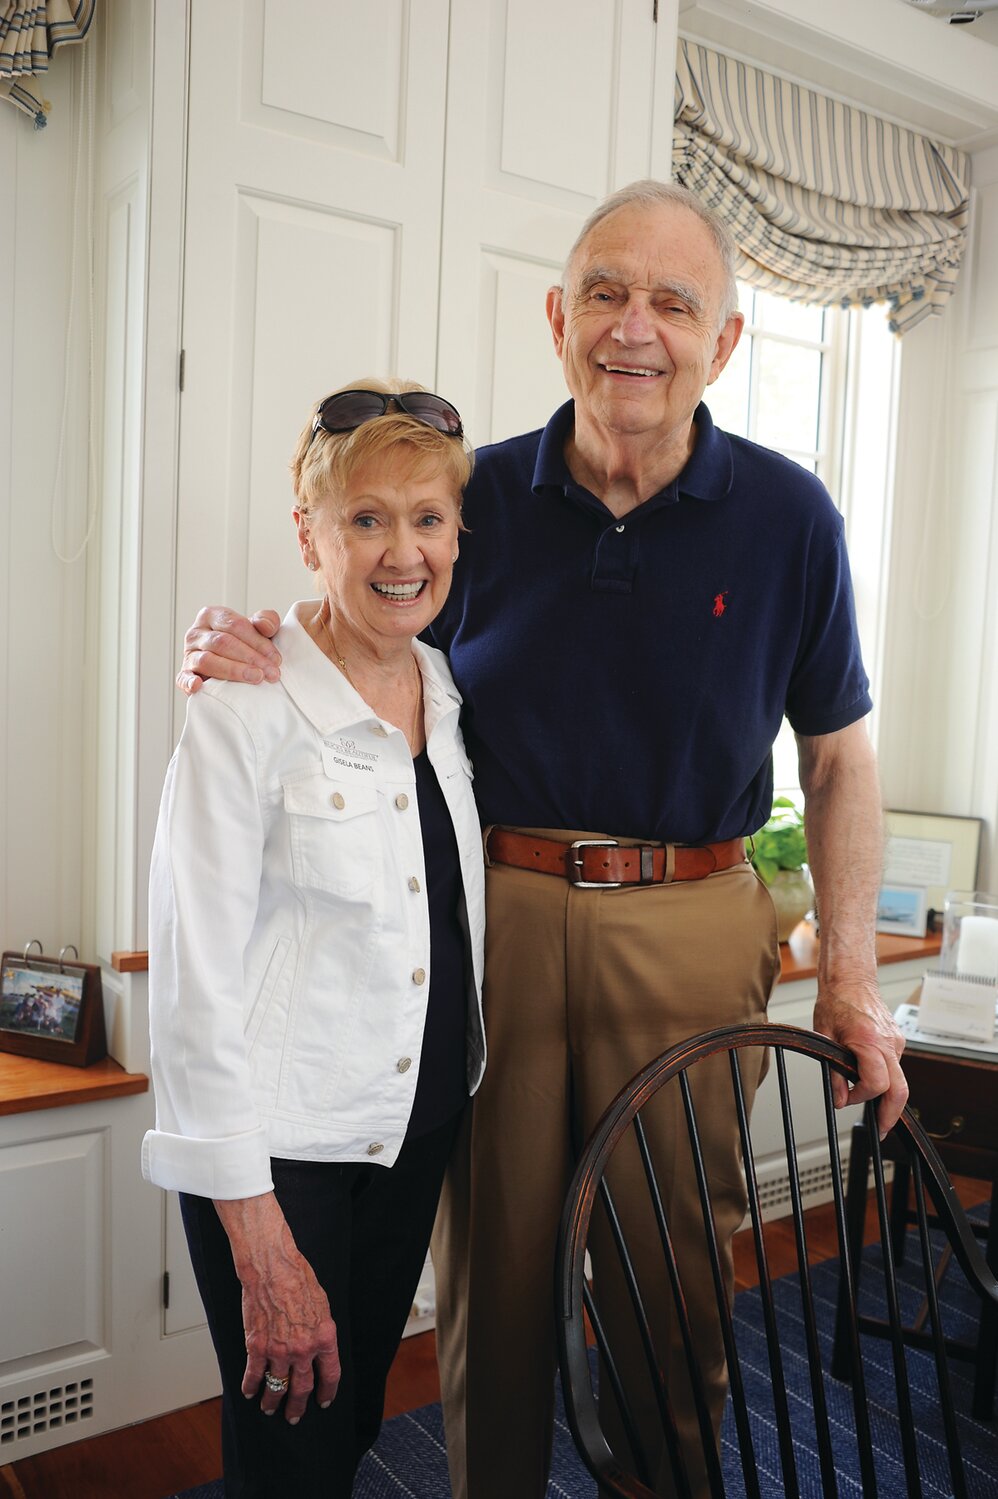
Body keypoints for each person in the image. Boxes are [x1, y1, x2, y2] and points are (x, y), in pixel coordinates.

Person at [176, 182, 907, 1499]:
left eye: (673, 303)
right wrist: (263, 634)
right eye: (607, 295)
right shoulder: (481, 492)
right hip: (492, 924)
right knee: (493, 1293)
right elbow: (375, 603)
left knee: (665, 1291)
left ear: (722, 342)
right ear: (559, 318)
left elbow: (840, 751)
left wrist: (850, 971)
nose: (636, 329)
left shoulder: (790, 516)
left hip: (690, 931)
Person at [142, 379, 486, 1499]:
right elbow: (191, 970)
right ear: (308, 533)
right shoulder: (244, 700)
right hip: (283, 1152)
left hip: (414, 1126)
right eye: (366, 518)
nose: (402, 550)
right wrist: (254, 1226)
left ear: (456, 534)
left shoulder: (443, 684)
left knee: (342, 1430)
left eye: (426, 518)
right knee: (288, 1451)